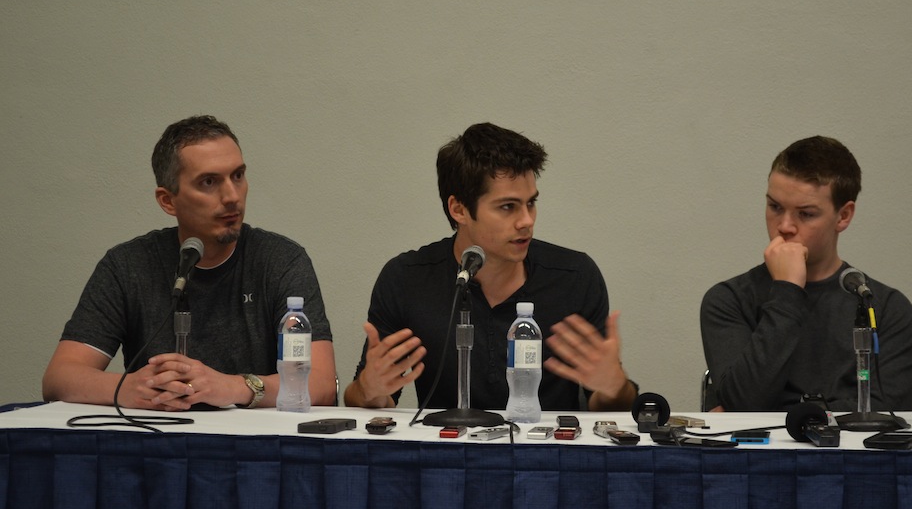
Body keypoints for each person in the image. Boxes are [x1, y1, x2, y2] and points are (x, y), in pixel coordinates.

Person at [42, 115, 337, 410]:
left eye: (238, 175)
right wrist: (129, 387)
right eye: (209, 182)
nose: (232, 196)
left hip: (253, 444)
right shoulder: (128, 265)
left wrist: (234, 387)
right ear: (168, 201)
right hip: (159, 438)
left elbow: (320, 385)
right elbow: (59, 378)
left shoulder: (280, 260)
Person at [344, 122, 636, 412]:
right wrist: (369, 389)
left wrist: (614, 387)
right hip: (447, 452)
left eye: (530, 203)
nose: (527, 221)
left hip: (546, 452)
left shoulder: (575, 277)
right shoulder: (407, 278)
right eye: (508, 206)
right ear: (458, 209)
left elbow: (609, 407)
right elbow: (367, 400)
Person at [700, 136, 912, 412]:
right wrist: (787, 290)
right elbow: (744, 404)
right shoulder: (728, 300)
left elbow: (884, 415)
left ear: (843, 216)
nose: (785, 226)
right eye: (775, 207)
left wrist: (787, 411)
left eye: (806, 214)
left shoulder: (885, 307)